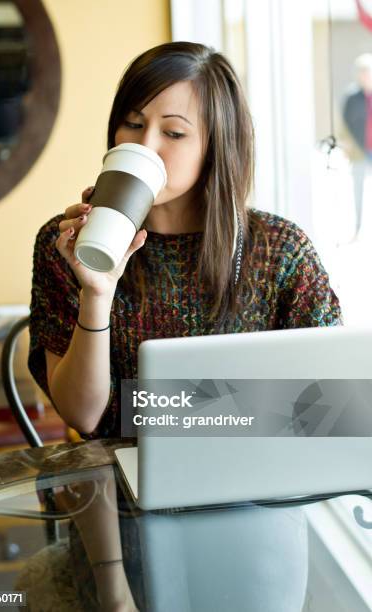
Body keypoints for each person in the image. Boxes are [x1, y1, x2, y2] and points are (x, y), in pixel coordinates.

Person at [27, 42, 342, 610]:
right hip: (116, 523)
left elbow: (340, 409)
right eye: (132, 123)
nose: (145, 144)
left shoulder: (279, 251)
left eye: (173, 132)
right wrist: (97, 290)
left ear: (215, 145)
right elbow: (83, 416)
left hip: (253, 514)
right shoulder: (65, 245)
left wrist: (167, 410)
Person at [342, 53, 372, 240]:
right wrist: (347, 145)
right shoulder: (352, 98)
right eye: (362, 72)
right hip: (360, 151)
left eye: (367, 72)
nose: (365, 76)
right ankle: (357, 229)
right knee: (358, 190)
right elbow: (344, 124)